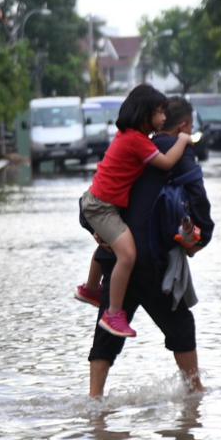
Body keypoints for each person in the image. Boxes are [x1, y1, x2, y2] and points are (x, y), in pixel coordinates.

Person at [84, 97, 215, 398]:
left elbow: (95, 195)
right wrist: (203, 235)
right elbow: (196, 195)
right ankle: (194, 393)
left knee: (108, 326)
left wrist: (97, 230)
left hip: (115, 256)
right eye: (190, 128)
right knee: (181, 324)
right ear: (182, 127)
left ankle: (94, 403)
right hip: (151, 260)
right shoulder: (178, 149)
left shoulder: (135, 144)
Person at [75, 84, 193, 339]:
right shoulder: (136, 141)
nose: (164, 118)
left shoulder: (129, 136)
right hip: (102, 207)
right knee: (127, 254)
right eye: (160, 112)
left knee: (109, 245)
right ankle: (113, 314)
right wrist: (182, 140)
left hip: (100, 202)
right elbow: (167, 162)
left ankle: (91, 289)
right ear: (144, 114)